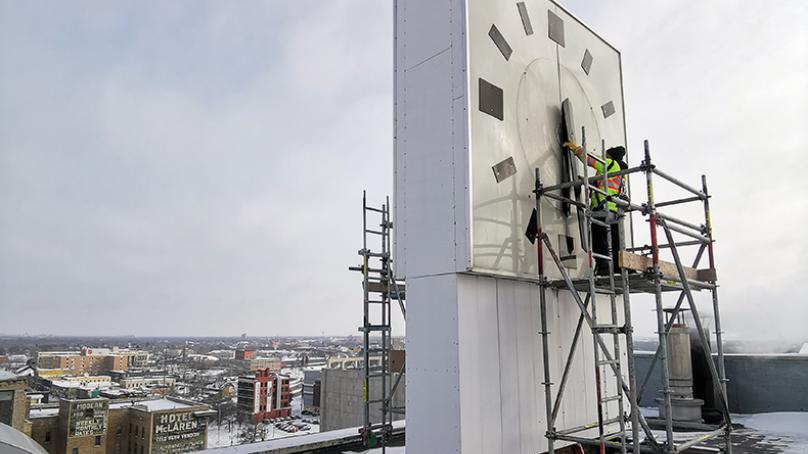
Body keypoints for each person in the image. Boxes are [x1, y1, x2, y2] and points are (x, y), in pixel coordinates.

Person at [563, 141, 627, 275]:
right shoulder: (621, 172)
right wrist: (588, 180)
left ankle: (603, 267)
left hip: (603, 207)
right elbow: (603, 183)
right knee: (616, 241)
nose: (604, 157)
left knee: (599, 237)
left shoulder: (610, 163)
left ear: (610, 156)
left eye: (606, 155)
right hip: (615, 210)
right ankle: (619, 267)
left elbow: (590, 160)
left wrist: (576, 149)